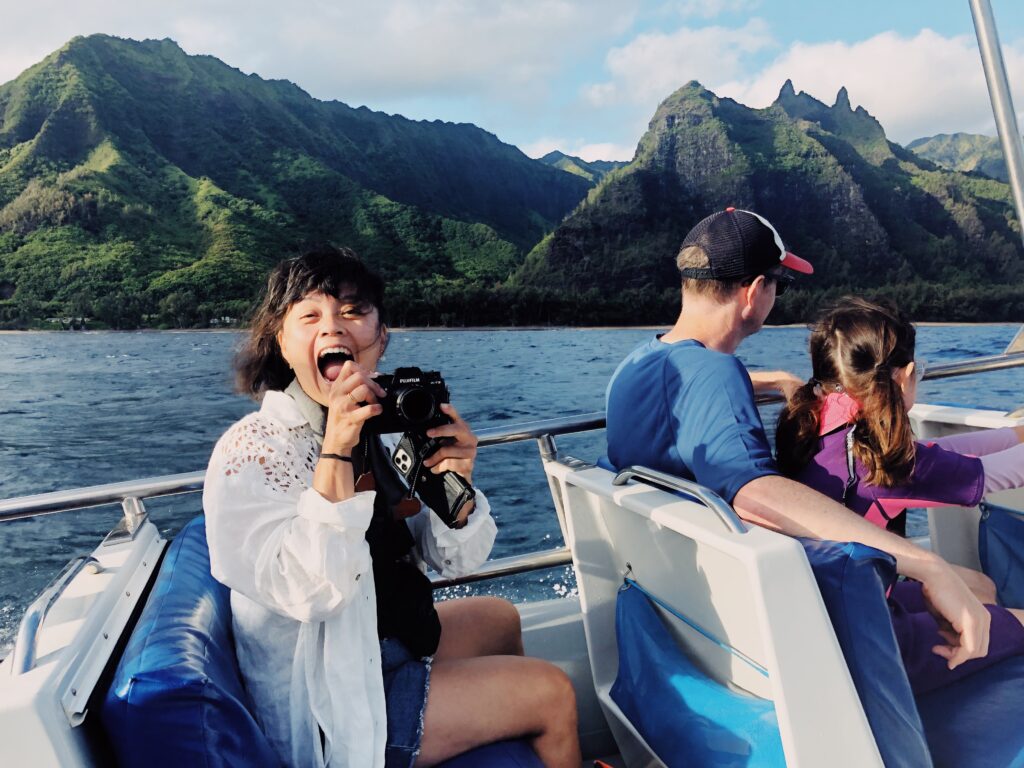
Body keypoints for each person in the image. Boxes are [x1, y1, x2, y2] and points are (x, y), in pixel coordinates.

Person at [203, 247, 579, 768]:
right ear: (282, 344)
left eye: (353, 312)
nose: (333, 329)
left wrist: (456, 485)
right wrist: (336, 447)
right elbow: (311, 592)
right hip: (332, 701)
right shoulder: (254, 449)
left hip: (381, 642)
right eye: (309, 316)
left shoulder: (383, 430)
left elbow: (457, 560)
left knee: (499, 617)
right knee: (551, 692)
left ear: (380, 338)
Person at [604, 206, 992, 673]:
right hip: (782, 619)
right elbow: (754, 494)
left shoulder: (635, 367)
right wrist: (923, 561)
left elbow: (684, 393)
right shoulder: (713, 373)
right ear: (753, 292)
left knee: (978, 587)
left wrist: (772, 381)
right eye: (778, 285)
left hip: (687, 605)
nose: (776, 297)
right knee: (975, 594)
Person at [775, 296, 1024, 692]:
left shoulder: (817, 425)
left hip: (822, 611)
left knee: (979, 587)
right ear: (905, 375)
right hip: (875, 647)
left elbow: (938, 457)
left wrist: (1015, 434)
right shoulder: (881, 462)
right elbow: (997, 474)